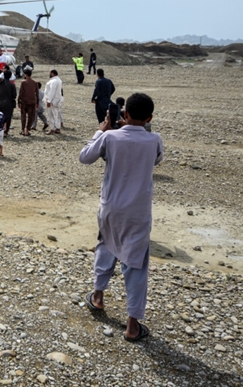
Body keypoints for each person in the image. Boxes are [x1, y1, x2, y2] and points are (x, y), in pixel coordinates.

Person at [80, 93, 163, 342]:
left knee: (105, 246)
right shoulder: (154, 139)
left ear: (124, 114)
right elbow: (157, 159)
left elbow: (85, 157)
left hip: (110, 207)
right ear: (149, 118)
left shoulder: (109, 137)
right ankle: (132, 324)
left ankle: (98, 297)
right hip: (138, 212)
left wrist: (100, 131)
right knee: (136, 264)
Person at [17, 67, 39, 136]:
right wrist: (37, 102)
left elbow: (21, 93)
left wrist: (18, 101)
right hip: (32, 102)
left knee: (23, 116)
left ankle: (22, 129)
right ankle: (27, 129)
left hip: (24, 101)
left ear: (25, 74)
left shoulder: (23, 82)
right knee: (31, 116)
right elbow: (37, 94)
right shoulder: (35, 83)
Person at [0, 69, 16, 136]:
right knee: (8, 118)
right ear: (10, 76)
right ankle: (5, 132)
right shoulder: (12, 85)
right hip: (9, 103)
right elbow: (14, 95)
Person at [45, 69, 63, 134]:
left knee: (51, 115)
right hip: (57, 100)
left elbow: (52, 91)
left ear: (52, 73)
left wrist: (49, 101)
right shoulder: (59, 80)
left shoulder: (54, 81)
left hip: (52, 101)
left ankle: (52, 129)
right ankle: (58, 128)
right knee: (57, 114)